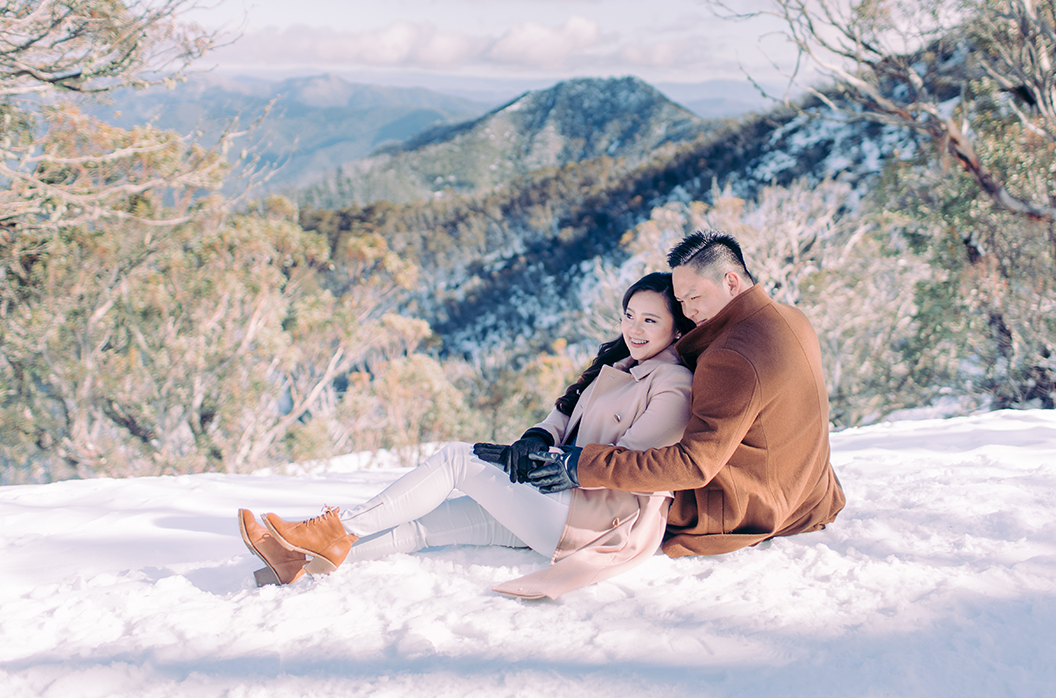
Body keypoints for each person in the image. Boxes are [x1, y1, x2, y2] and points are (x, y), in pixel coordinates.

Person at [238, 272, 695, 599]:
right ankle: (292, 563)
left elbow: (629, 463)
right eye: (629, 315)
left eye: (650, 321)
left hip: (598, 520)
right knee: (423, 526)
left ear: (677, 327)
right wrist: (535, 439)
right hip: (558, 501)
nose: (634, 328)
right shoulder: (619, 366)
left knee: (457, 460)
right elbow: (563, 416)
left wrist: (558, 464)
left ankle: (335, 530)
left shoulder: (672, 385)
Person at [525, 230, 845, 557]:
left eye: (695, 298)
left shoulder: (730, 356)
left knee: (609, 497)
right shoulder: (792, 317)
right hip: (809, 496)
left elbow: (693, 464)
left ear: (731, 282)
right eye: (680, 302)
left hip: (749, 510)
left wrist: (584, 465)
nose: (688, 312)